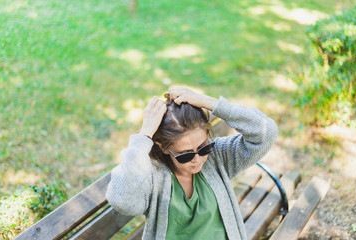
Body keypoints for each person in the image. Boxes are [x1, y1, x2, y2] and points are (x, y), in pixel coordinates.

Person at [106, 86, 278, 240]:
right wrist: (144, 135)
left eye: (203, 147)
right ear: (164, 149)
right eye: (184, 155)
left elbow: (265, 132)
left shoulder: (217, 158)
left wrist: (209, 102)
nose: (197, 158)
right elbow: (122, 201)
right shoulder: (153, 175)